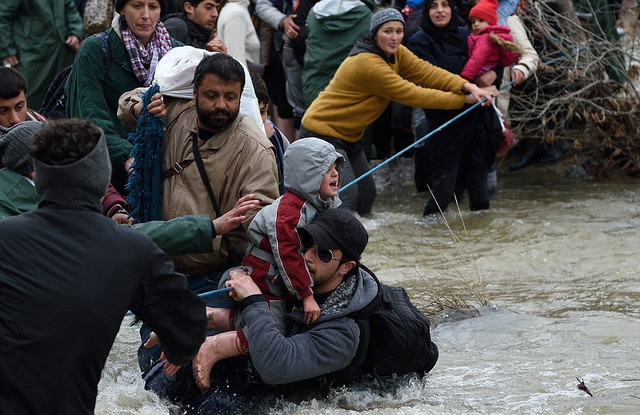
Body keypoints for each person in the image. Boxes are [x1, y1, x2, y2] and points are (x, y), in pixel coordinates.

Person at [0, 118, 207, 414]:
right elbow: (188, 331)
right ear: (102, 181)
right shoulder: (132, 250)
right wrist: (176, 345)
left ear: (38, 179)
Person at [143, 208, 383, 408]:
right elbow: (248, 292)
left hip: (280, 390)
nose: (307, 256)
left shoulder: (345, 333)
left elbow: (275, 365)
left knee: (220, 405)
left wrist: (253, 299)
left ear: (346, 266)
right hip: (248, 367)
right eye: (307, 242)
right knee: (162, 379)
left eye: (323, 253)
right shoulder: (297, 275)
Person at [299, 7, 497, 215]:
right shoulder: (368, 63)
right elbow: (412, 94)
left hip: (349, 137)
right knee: (346, 199)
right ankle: (329, 243)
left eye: (398, 31)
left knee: (366, 197)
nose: (394, 38)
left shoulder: (396, 52)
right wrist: (464, 100)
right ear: (374, 34)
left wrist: (467, 86)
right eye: (387, 31)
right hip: (323, 135)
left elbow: (427, 72)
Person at [189, 137, 343, 391]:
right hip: (265, 278)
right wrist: (306, 295)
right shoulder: (289, 212)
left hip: (275, 279)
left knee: (262, 320)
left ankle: (206, 319)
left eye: (337, 167)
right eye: (327, 170)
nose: (335, 173)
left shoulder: (312, 203)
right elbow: (288, 256)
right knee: (272, 331)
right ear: (308, 175)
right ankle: (211, 348)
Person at [0, 121, 259, 257]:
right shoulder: (38, 220)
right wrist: (211, 227)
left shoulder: (20, 199)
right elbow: (125, 237)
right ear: (41, 170)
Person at [65, 0, 180, 194]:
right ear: (122, 10)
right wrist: (127, 155)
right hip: (108, 172)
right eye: (137, 6)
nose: (145, 15)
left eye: (153, 7)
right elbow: (88, 114)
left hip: (163, 168)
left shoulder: (176, 53)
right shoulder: (97, 48)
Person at [408, 0, 502, 216]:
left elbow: (493, 58)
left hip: (476, 121)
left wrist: (494, 75)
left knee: (480, 194)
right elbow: (430, 80)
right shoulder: (418, 42)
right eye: (434, 6)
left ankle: (481, 243)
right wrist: (469, 92)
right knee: (444, 191)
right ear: (427, 11)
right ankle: (432, 238)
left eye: (445, 5)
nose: (440, 11)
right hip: (443, 124)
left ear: (452, 9)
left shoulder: (465, 35)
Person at [0, 0, 83, 110]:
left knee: (59, 97)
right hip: (29, 51)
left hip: (59, 51)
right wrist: (7, 50)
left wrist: (75, 33)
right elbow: (3, 16)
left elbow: (70, 9)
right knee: (27, 96)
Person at [459, 0, 521, 82]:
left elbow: (476, 60)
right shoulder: (492, 36)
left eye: (481, 20)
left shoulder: (485, 39)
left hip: (479, 74)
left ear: (490, 22)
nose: (476, 24)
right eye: (473, 22)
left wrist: (464, 78)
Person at [251, 72, 289, 195]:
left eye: (263, 112)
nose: (260, 119)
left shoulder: (275, 134)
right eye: (254, 113)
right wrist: (261, 139)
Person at [163, 0, 228, 52]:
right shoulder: (177, 27)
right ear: (189, 7)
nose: (215, 14)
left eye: (217, 8)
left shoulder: (204, 34)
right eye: (208, 7)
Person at [216, 0, 261, 70]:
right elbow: (236, 59)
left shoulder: (236, 9)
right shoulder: (236, 13)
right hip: (242, 77)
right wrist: (246, 80)